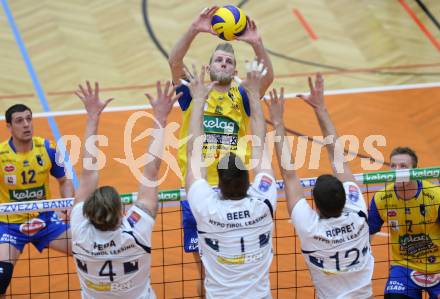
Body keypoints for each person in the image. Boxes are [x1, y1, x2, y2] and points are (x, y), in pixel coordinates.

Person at [169, 4, 274, 256]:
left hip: (235, 189)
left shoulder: (243, 96)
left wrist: (257, 43)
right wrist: (195, 29)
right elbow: (174, 61)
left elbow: (268, 77)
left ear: (235, 70)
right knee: (204, 270)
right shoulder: (194, 93)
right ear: (210, 66)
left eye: (228, 61)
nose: (223, 63)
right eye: (219, 60)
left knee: (233, 258)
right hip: (198, 187)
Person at [267, 74, 374, 299]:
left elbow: (289, 174)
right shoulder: (358, 214)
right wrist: (321, 108)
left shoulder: (310, 228)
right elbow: (339, 161)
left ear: (315, 205)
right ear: (345, 198)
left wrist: (278, 122)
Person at [70, 81, 181, 298]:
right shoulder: (136, 232)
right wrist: (160, 117)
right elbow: (151, 172)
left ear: (88, 212)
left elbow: (88, 174)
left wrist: (92, 117)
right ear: (122, 212)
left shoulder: (79, 230)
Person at [184, 62, 276, 298]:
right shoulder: (263, 202)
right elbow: (259, 147)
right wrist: (254, 95)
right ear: (249, 181)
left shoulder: (207, 208)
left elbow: (194, 151)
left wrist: (198, 102)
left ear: (218, 186)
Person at [0, 104, 74, 297]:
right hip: (10, 225)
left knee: (89, 249)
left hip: (46, 221)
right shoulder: (1, 156)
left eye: (29, 119)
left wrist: (68, 205)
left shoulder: (48, 149)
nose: (26, 125)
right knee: (0, 279)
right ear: (9, 126)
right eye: (19, 121)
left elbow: (64, 181)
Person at [368, 147, 440, 299]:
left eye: (403, 167)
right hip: (404, 267)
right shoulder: (381, 198)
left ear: (415, 171)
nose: (397, 171)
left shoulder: (436, 196)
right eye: (393, 166)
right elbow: (368, 233)